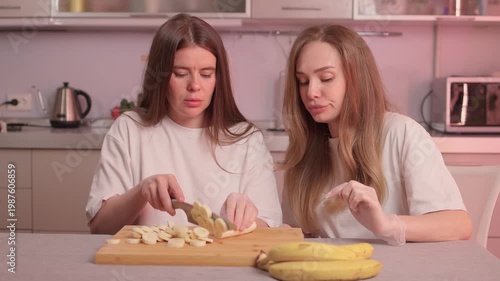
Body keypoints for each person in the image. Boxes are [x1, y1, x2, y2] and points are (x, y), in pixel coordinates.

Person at [86, 13, 282, 235]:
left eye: (206, 74)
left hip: (222, 267)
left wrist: (248, 216)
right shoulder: (129, 130)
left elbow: (270, 228)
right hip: (145, 267)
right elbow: (99, 227)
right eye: (180, 74)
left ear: (218, 78)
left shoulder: (247, 140)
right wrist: (140, 192)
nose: (195, 86)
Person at [279, 24, 472, 246]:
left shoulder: (402, 134)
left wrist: (387, 225)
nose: (311, 92)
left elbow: (458, 224)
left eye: (326, 78)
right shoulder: (303, 150)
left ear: (357, 80)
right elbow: (299, 233)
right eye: (303, 81)